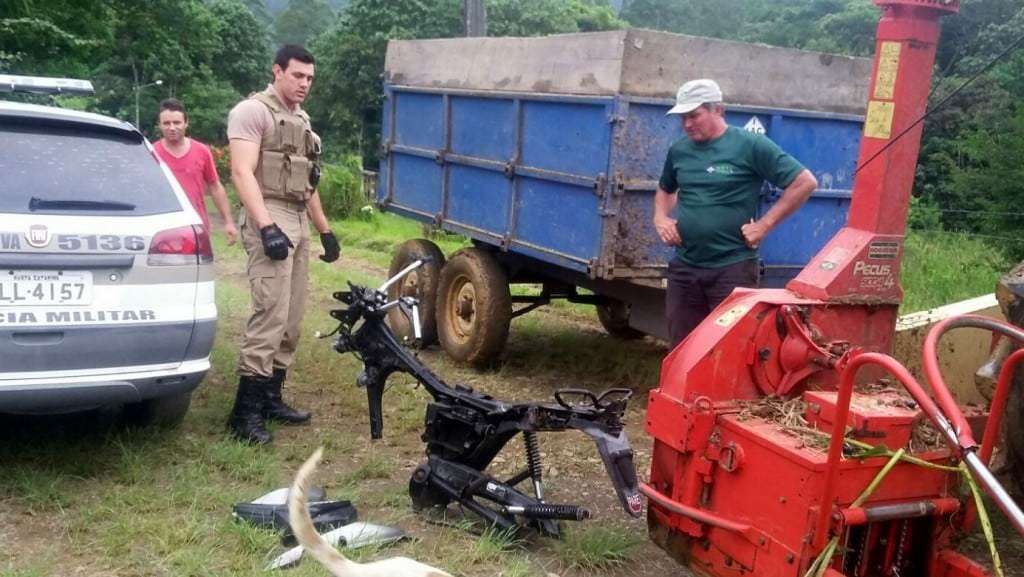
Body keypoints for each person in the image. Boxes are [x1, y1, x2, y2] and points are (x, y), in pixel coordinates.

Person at [226, 44, 341, 445]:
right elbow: (242, 172)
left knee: (292, 319)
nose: (304, 84)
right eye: (297, 76)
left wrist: (324, 229)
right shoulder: (252, 112)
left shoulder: (302, 120)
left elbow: (307, 182)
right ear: (277, 71)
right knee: (270, 314)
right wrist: (266, 225)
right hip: (269, 211)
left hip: (297, 215)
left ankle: (271, 398)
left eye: (310, 78)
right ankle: (244, 414)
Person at [653, 79, 818, 347]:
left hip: (732, 268)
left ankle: (720, 392)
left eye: (694, 115)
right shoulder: (679, 150)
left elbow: (804, 182)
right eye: (683, 117)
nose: (687, 124)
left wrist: (764, 225)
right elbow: (665, 189)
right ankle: (685, 391)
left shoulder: (750, 145)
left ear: (718, 110)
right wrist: (661, 218)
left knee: (728, 347)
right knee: (682, 347)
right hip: (685, 267)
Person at [153, 98, 238, 245]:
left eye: (177, 122)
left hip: (196, 227)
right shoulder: (151, 153)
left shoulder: (201, 151)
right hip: (162, 228)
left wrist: (228, 222)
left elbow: (215, 186)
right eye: (166, 123)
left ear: (186, 123)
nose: (172, 127)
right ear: (159, 125)